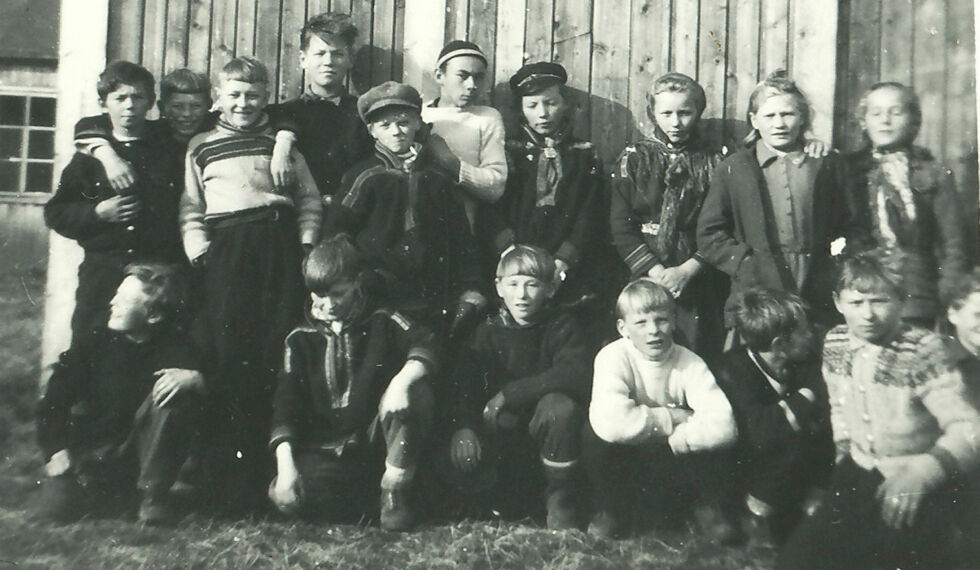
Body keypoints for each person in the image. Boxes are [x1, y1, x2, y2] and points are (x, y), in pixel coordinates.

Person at [777, 250, 980, 569]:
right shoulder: (836, 342)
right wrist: (845, 459)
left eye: (880, 301)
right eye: (857, 303)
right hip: (858, 471)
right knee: (797, 561)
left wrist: (922, 473)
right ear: (838, 302)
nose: (868, 315)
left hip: (916, 480)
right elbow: (839, 408)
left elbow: (969, 429)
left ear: (902, 300)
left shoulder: (923, 350)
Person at [180, 56, 322, 510]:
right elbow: (190, 204)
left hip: (278, 248)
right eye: (234, 95)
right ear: (218, 98)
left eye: (254, 95)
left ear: (267, 97)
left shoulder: (283, 145)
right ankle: (225, 481)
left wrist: (304, 242)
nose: (243, 104)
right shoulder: (201, 146)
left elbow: (310, 199)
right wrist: (199, 248)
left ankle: (270, 475)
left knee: (274, 350)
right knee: (228, 353)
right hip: (226, 252)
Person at [268, 234, 438, 531]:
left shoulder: (382, 319)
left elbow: (427, 342)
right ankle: (363, 499)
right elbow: (286, 403)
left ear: (357, 282)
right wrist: (285, 467)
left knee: (417, 391)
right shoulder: (299, 339)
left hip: (375, 442)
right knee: (293, 500)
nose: (328, 304)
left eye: (338, 293)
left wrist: (401, 381)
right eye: (319, 295)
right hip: (325, 449)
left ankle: (394, 492)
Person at [35, 263, 203, 525]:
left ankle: (153, 498)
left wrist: (195, 379)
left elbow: (213, 398)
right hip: (93, 453)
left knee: (175, 391)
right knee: (53, 512)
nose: (113, 302)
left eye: (125, 300)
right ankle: (104, 494)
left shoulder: (177, 348)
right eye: (116, 294)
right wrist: (55, 450)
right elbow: (53, 399)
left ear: (154, 316)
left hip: (142, 459)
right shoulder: (93, 344)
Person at [697, 70, 861, 334]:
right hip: (757, 284)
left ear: (803, 118)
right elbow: (709, 234)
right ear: (754, 120)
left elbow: (854, 224)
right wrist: (747, 264)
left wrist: (835, 263)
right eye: (769, 116)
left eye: (788, 114)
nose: (779, 124)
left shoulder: (826, 164)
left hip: (815, 281)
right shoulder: (735, 168)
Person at [446, 245, 593, 529]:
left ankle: (561, 499)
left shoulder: (562, 325)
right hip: (503, 431)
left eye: (532, 285)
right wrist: (464, 426)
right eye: (513, 284)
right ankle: (502, 497)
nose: (522, 295)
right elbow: (464, 384)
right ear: (499, 288)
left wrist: (509, 394)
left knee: (559, 408)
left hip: (547, 431)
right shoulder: (486, 330)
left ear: (549, 289)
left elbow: (575, 373)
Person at [324, 81, 485, 339]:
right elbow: (338, 230)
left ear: (418, 124)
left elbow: (461, 236)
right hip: (378, 291)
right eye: (385, 125)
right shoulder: (364, 176)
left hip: (433, 291)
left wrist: (471, 286)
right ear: (372, 131)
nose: (396, 132)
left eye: (403, 122)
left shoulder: (436, 177)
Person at [582, 279, 739, 542]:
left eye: (662, 320)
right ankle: (611, 509)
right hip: (626, 451)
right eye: (641, 323)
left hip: (671, 454)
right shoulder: (612, 357)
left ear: (675, 321)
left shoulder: (690, 362)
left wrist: (679, 438)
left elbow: (724, 427)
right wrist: (674, 417)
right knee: (594, 433)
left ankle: (704, 507)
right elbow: (612, 423)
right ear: (623, 328)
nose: (653, 331)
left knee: (710, 444)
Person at [45, 61, 187, 341]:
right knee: (90, 345)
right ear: (103, 102)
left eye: (138, 97)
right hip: (102, 274)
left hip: (157, 277)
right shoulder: (88, 160)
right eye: (120, 98)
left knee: (156, 346)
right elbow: (56, 213)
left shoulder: (169, 148)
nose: (129, 106)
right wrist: (97, 213)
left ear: (151, 102)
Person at [488, 61, 619, 341]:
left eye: (550, 103)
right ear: (520, 109)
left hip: (568, 262)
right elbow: (492, 204)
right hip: (514, 260)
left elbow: (590, 211)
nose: (543, 114)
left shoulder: (584, 154)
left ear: (565, 105)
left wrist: (565, 259)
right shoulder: (507, 151)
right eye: (532, 105)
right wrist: (509, 251)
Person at [610, 72, 729, 362]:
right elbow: (619, 225)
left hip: (696, 271)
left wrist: (687, 270)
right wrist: (655, 272)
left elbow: (724, 222)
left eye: (685, 113)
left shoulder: (716, 160)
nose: (676, 122)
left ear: (698, 112)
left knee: (696, 347)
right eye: (667, 113)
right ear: (653, 112)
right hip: (646, 268)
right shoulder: (634, 157)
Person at [714, 289, 833, 547]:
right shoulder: (733, 370)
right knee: (794, 441)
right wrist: (806, 397)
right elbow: (760, 432)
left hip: (783, 466)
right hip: (747, 468)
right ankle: (755, 515)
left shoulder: (803, 363)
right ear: (780, 344)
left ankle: (808, 504)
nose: (811, 335)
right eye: (803, 332)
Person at [845, 82, 971, 327]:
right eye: (876, 113)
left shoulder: (933, 173)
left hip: (915, 293)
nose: (885, 121)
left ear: (914, 120)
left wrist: (945, 295)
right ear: (863, 122)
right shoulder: (846, 170)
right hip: (861, 291)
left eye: (896, 112)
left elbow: (954, 244)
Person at [267, 12, 374, 199]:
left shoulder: (363, 113)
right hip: (298, 215)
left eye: (338, 54)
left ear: (350, 60)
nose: (328, 62)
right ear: (303, 59)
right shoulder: (284, 113)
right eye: (320, 53)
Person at [420, 40, 507, 230]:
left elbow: (496, 186)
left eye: (479, 77)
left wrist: (452, 164)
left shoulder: (487, 118)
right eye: (463, 75)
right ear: (439, 76)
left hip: (466, 228)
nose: (472, 85)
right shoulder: (418, 115)